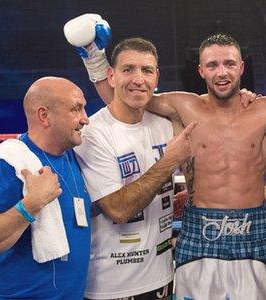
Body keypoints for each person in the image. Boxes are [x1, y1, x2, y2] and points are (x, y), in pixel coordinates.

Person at [68, 14, 266, 299]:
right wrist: (94, 57)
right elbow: (127, 96)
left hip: (253, 232)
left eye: (229, 64)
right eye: (212, 65)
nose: (221, 72)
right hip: (199, 231)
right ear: (201, 70)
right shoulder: (183, 106)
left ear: (241, 67)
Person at [72, 37, 195, 300]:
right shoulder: (93, 134)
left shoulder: (164, 125)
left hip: (162, 277)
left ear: (156, 77)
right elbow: (119, 209)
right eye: (128, 69)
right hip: (110, 286)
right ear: (111, 76)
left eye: (147, 70)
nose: (138, 79)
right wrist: (169, 162)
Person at [0, 77, 92, 299]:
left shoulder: (72, 157)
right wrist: (31, 205)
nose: (85, 119)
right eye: (76, 109)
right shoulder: (5, 163)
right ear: (44, 116)